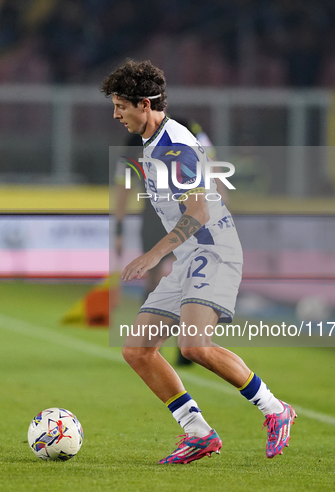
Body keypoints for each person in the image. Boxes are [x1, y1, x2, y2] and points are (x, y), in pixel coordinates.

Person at [101, 60, 296, 464]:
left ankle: (276, 410)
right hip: (190, 253)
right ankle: (198, 432)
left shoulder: (175, 146)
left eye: (121, 106)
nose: (115, 114)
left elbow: (200, 211)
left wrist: (154, 253)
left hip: (214, 249)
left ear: (143, 103)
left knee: (193, 345)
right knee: (137, 349)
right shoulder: (153, 141)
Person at [115, 118, 217, 367]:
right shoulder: (132, 141)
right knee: (153, 280)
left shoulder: (188, 130)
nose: (119, 114)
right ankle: (148, 343)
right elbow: (123, 188)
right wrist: (118, 229)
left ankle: (189, 346)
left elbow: (212, 170)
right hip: (154, 216)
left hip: (188, 213)